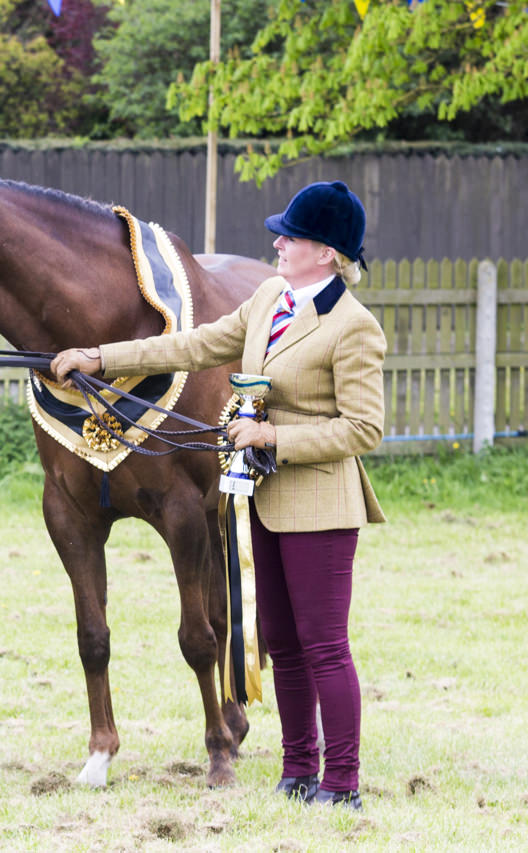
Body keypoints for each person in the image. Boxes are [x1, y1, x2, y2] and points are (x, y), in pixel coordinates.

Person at [51, 181, 386, 810]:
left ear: (329, 252)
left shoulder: (353, 327)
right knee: (281, 643)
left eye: (292, 236)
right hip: (265, 497)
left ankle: (342, 783)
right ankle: (297, 770)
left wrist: (268, 433)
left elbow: (364, 428)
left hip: (319, 503)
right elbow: (191, 344)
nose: (278, 243)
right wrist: (102, 357)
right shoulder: (268, 299)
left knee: (324, 647)